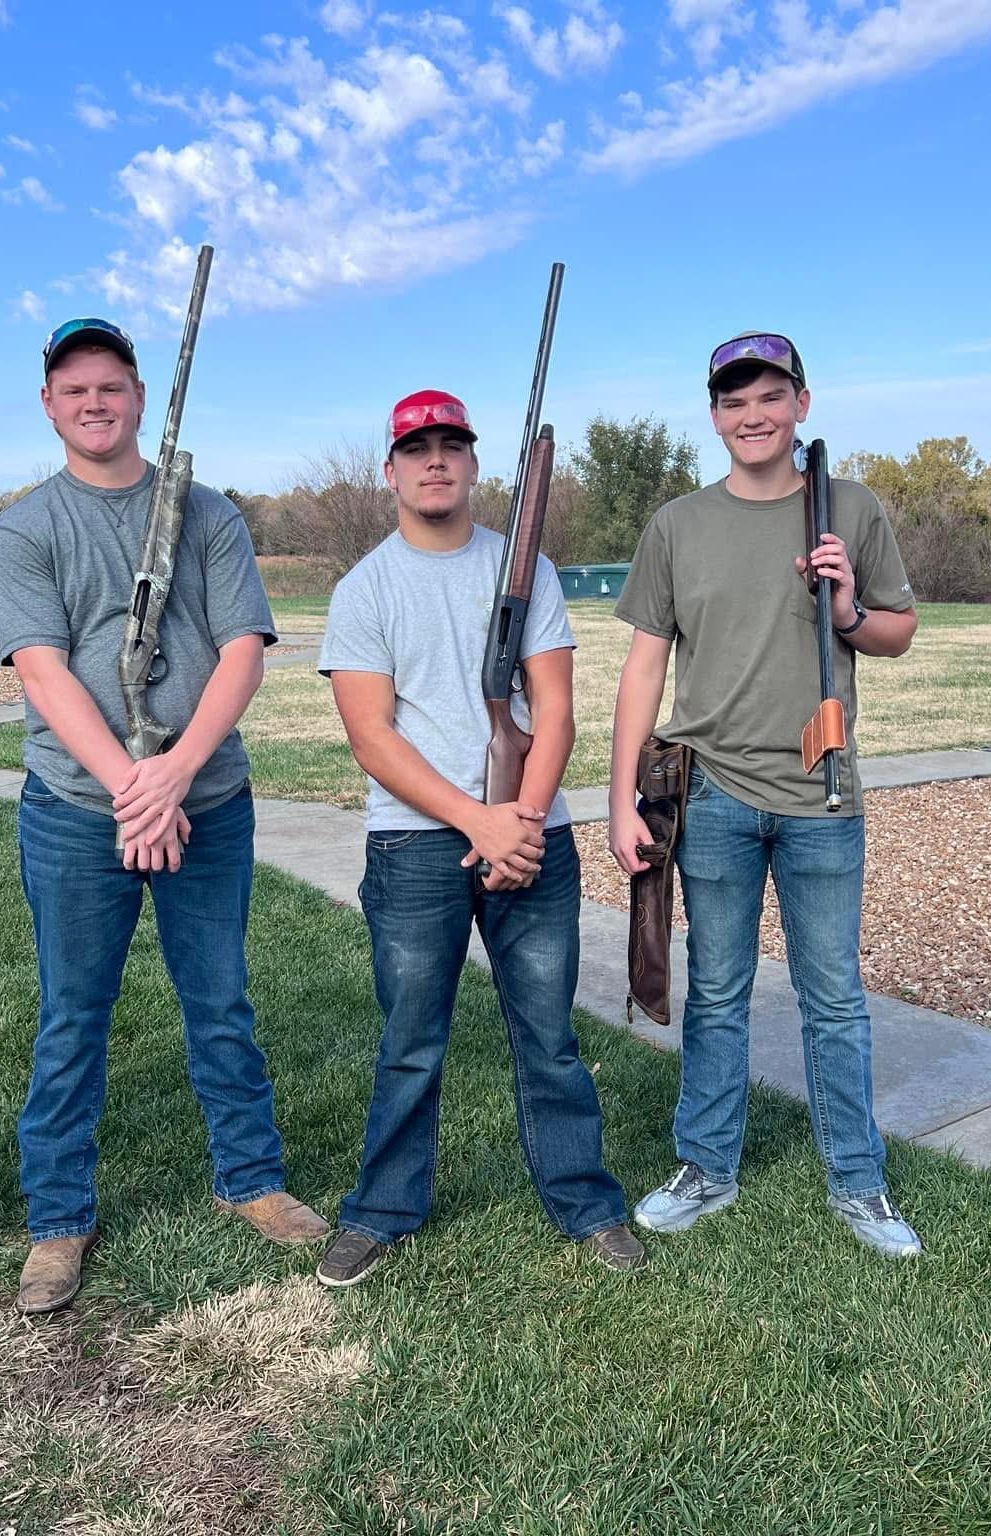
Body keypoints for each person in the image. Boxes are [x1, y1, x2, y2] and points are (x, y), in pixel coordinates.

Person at [0, 317, 325, 1316]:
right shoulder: (23, 529)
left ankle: (251, 1180)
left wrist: (176, 772)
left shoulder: (209, 514)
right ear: (48, 405)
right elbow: (41, 669)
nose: (94, 402)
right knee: (72, 1014)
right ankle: (59, 1217)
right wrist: (134, 788)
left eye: (111, 386)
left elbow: (242, 651)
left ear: (139, 397)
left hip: (208, 801)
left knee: (219, 1000)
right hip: (74, 808)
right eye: (74, 389)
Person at [312, 389, 644, 1287]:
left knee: (550, 1037)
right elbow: (372, 737)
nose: (436, 460)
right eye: (417, 448)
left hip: (532, 836)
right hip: (414, 847)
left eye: (451, 444)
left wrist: (522, 822)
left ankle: (587, 1204)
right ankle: (382, 1211)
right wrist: (480, 821)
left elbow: (556, 711)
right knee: (410, 1038)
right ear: (391, 470)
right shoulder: (365, 587)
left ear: (473, 463)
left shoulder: (526, 570)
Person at [606, 332, 923, 1258]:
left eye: (770, 396)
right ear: (714, 416)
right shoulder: (677, 524)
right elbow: (643, 666)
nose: (754, 415)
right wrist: (621, 799)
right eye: (734, 400)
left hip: (822, 797)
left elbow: (899, 630)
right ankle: (707, 1166)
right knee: (717, 991)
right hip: (711, 794)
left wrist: (847, 607)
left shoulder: (849, 509)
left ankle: (858, 1181)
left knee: (835, 997)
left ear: (802, 404)